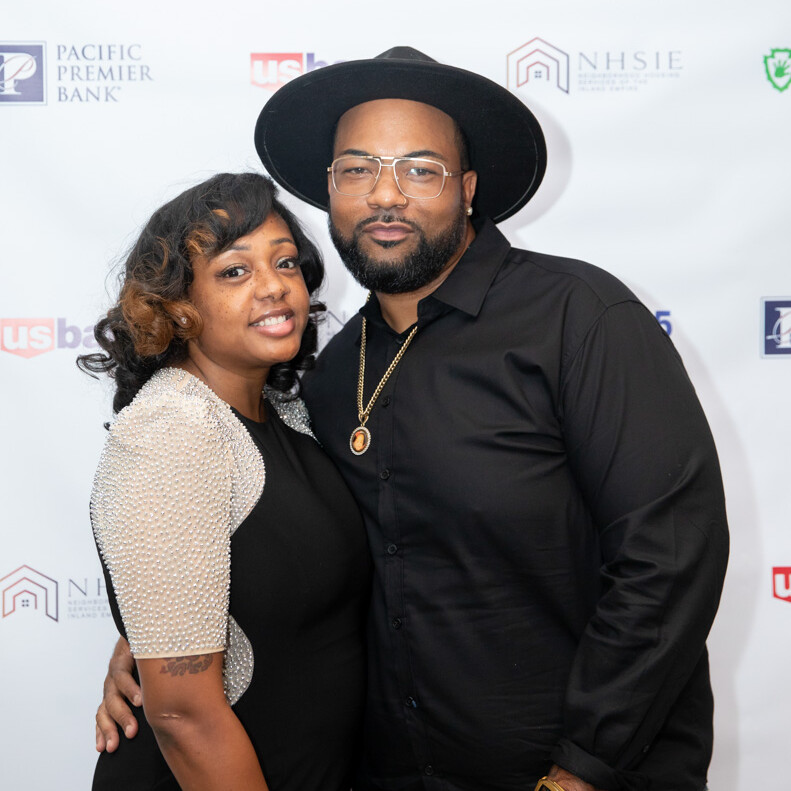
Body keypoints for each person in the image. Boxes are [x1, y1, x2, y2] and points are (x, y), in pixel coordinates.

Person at [96, 49, 729, 791]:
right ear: (330, 191)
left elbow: (668, 559)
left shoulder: (578, 319)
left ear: (467, 190)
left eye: (420, 170)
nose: (385, 195)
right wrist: (158, 637)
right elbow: (278, 556)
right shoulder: (328, 378)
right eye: (357, 170)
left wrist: (580, 769)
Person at [80, 172, 371, 791]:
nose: (274, 286)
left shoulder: (289, 415)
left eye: (285, 262)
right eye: (235, 271)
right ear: (178, 307)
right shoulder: (172, 430)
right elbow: (182, 714)